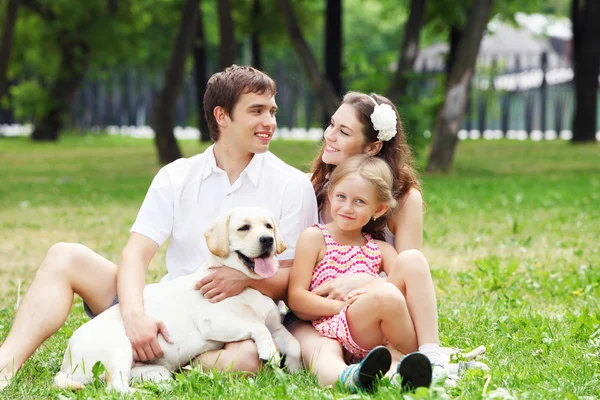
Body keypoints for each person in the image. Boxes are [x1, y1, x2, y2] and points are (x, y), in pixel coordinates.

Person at [0, 65, 318, 390]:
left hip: (237, 319)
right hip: (165, 307)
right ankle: (5, 367)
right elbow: (136, 256)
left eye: (272, 112)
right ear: (222, 116)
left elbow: (293, 279)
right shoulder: (177, 176)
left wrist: (241, 278)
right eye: (257, 111)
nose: (270, 123)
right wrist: (135, 317)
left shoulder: (292, 185)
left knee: (248, 359)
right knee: (64, 256)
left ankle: (166, 364)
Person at [286, 92, 442, 389]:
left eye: (343, 132)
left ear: (373, 147)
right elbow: (297, 286)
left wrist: (367, 284)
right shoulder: (310, 187)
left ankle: (423, 362)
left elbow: (409, 280)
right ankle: (350, 377)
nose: (329, 136)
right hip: (319, 315)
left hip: (379, 309)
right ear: (332, 195)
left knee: (395, 303)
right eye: (331, 125)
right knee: (320, 349)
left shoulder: (403, 200)